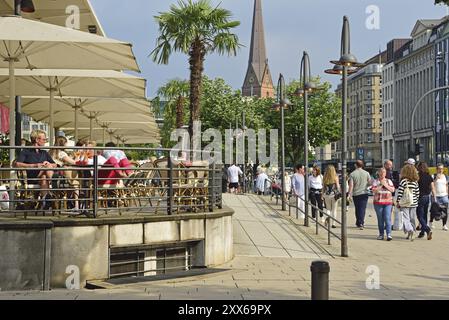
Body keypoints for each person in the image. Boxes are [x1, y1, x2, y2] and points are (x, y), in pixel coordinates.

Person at [15, 130, 57, 206]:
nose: (45, 141)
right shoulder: (26, 151)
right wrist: (34, 165)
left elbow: (55, 164)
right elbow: (17, 164)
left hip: (42, 176)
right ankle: (53, 183)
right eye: (44, 139)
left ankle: (45, 200)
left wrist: (48, 163)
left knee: (44, 176)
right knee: (46, 170)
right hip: (30, 176)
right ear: (37, 140)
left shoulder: (44, 152)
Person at [396, 163, 420, 241]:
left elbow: (400, 192)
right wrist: (416, 200)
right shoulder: (415, 182)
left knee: (406, 218)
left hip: (405, 203)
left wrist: (398, 201)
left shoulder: (403, 181)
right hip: (413, 203)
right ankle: (411, 233)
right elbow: (417, 193)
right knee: (412, 218)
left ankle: (410, 230)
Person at [371, 168, 395, 241]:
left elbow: (393, 190)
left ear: (385, 173)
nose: (382, 174)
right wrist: (381, 185)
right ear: (378, 173)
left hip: (388, 202)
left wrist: (386, 185)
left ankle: (389, 234)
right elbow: (374, 190)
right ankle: (381, 234)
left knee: (387, 218)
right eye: (381, 172)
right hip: (378, 202)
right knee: (380, 219)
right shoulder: (376, 181)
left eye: (383, 172)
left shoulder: (389, 181)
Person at [348, 160, 372, 229]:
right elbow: (370, 183)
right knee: (362, 208)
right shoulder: (366, 173)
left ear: (355, 165)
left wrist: (349, 194)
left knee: (357, 208)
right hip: (364, 193)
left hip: (356, 194)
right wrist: (366, 185)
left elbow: (351, 185)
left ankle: (359, 222)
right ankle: (361, 222)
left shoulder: (352, 174)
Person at [416, 162, 433, 240]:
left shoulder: (418, 176)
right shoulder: (429, 176)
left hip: (420, 197)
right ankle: (422, 232)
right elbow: (431, 187)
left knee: (419, 215)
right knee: (425, 215)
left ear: (419, 167)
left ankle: (427, 229)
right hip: (427, 197)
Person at [430, 163, 449, 231]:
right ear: (436, 169)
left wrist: (447, 194)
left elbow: (447, 186)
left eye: (442, 169)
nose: (440, 170)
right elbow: (432, 186)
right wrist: (435, 179)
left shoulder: (446, 176)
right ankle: (431, 222)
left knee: (445, 211)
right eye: (439, 169)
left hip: (444, 196)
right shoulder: (433, 176)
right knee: (434, 210)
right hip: (436, 196)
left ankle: (444, 225)